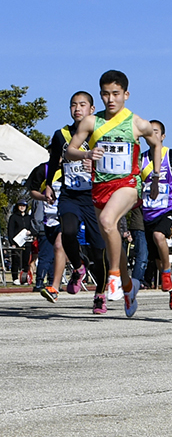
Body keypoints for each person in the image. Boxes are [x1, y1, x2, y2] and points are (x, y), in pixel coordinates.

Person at [65, 70, 162, 318]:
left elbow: (156, 143)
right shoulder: (91, 122)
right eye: (106, 94)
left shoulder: (136, 123)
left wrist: (155, 177)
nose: (111, 99)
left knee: (108, 222)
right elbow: (70, 151)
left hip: (128, 185)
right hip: (100, 187)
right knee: (111, 240)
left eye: (116, 94)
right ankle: (129, 288)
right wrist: (86, 154)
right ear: (101, 95)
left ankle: (114, 276)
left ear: (126, 95)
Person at [44, 91, 105, 307]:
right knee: (68, 232)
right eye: (73, 105)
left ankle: (100, 295)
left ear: (92, 109)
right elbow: (52, 161)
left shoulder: (101, 133)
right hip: (70, 194)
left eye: (82, 104)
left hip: (95, 197)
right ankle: (79, 267)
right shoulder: (61, 134)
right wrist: (49, 184)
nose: (77, 108)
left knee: (99, 251)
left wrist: (96, 166)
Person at [139, 120, 172, 310]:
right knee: (156, 259)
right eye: (148, 133)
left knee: (159, 235)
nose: (152, 136)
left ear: (162, 136)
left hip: (169, 209)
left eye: (155, 132)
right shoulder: (141, 159)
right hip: (148, 212)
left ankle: (167, 274)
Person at [26, 163, 65, 299]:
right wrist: (37, 228)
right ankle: (39, 282)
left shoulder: (71, 172)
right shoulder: (40, 196)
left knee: (58, 252)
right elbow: (37, 213)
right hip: (45, 225)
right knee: (46, 256)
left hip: (63, 220)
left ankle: (53, 283)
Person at [7, 200, 34, 286]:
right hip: (17, 242)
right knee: (16, 260)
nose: (22, 207)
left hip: (27, 242)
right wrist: (12, 242)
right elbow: (10, 230)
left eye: (24, 206)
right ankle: (15, 278)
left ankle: (24, 278)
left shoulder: (29, 217)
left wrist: (31, 232)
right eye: (20, 205)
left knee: (26, 261)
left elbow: (32, 228)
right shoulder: (13, 217)